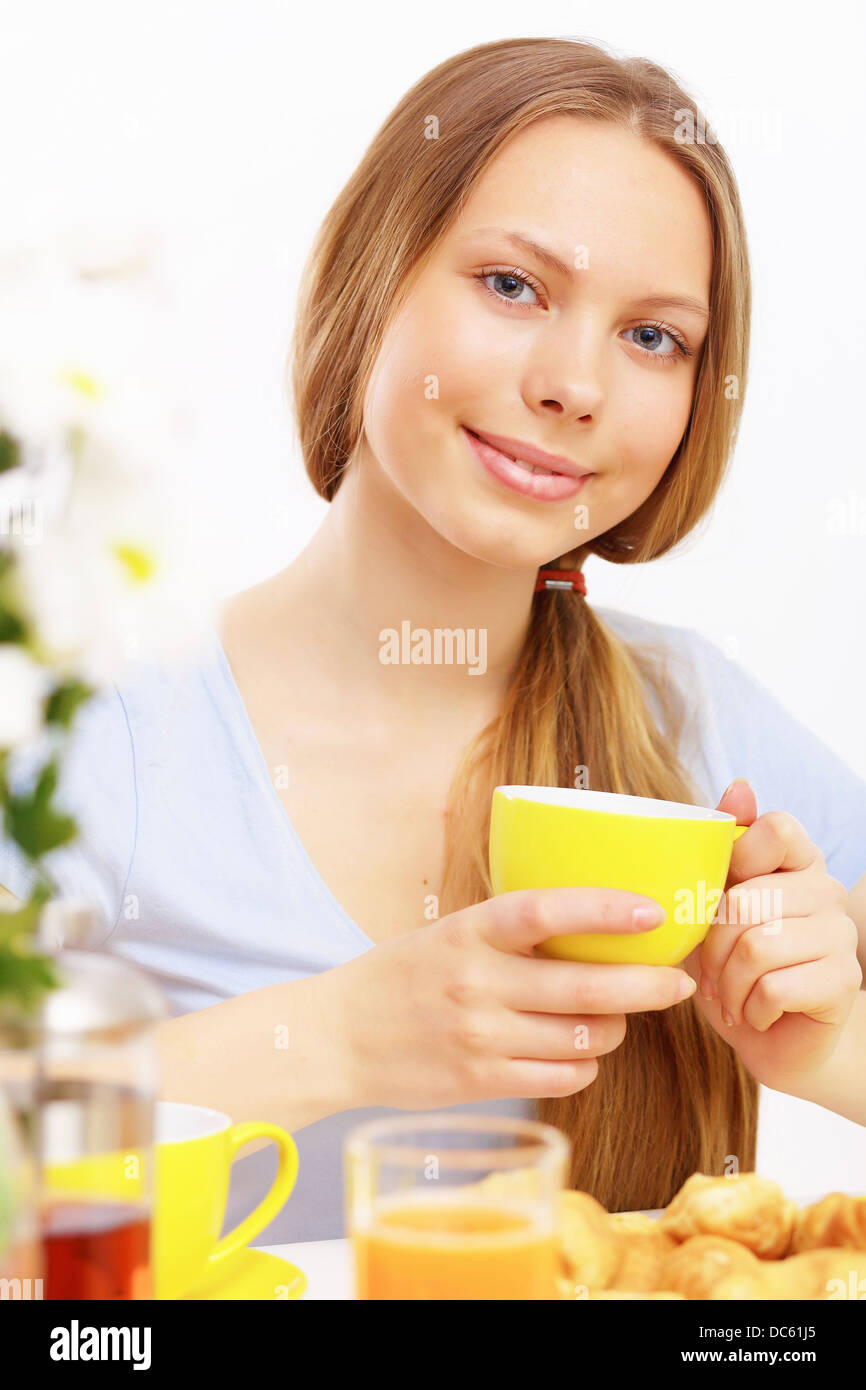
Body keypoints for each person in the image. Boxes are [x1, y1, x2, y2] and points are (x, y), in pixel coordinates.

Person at [2, 37, 864, 1247]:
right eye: (512, 285)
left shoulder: (697, 727)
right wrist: (340, 1035)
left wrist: (830, 1051)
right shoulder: (91, 729)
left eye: (653, 336)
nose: (574, 383)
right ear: (374, 276)